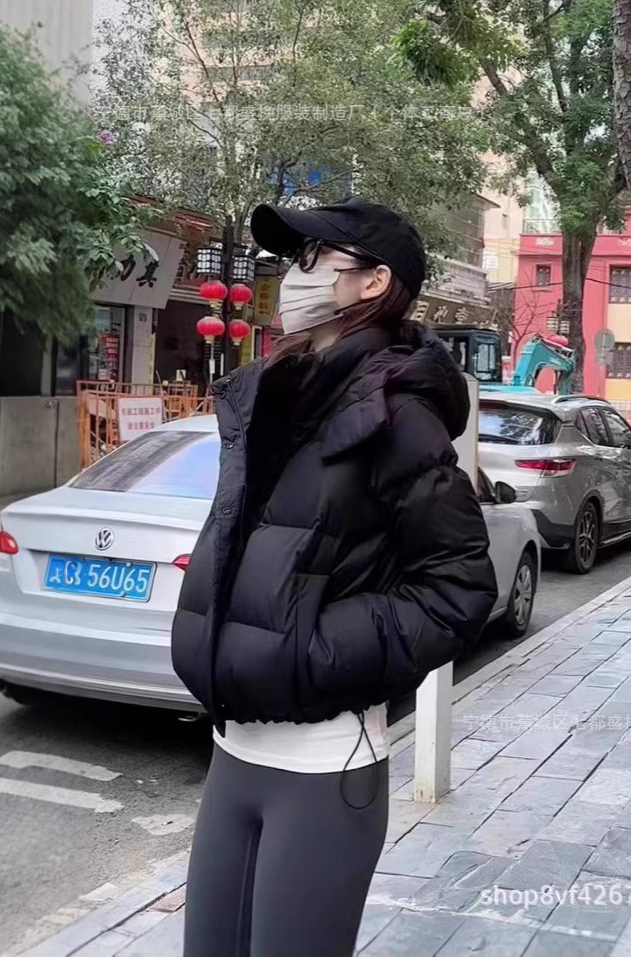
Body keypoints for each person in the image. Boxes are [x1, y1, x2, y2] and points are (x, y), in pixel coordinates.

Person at [171, 197, 498, 957]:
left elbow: (458, 587)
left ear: (374, 281)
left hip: (324, 765)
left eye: (315, 260)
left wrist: (316, 646)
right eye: (294, 260)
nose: (295, 276)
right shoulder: (275, 393)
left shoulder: (395, 412)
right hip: (232, 752)